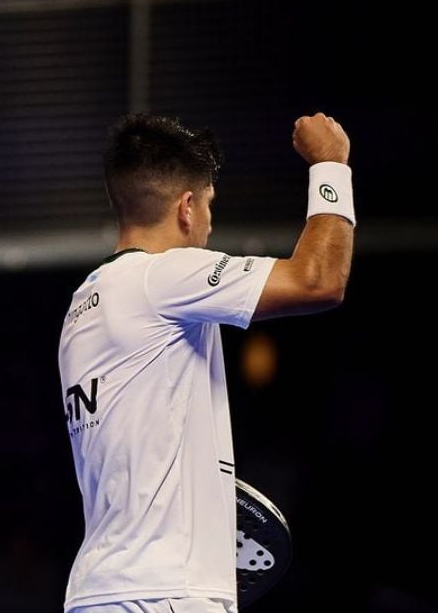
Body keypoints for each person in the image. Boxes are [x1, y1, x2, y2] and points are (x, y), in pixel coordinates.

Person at [58, 112, 355, 613]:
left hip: (105, 590)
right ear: (188, 207)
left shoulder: (84, 305)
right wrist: (331, 165)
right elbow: (319, 280)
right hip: (164, 593)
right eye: (211, 206)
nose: (211, 223)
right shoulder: (163, 278)